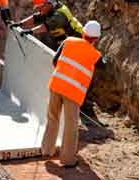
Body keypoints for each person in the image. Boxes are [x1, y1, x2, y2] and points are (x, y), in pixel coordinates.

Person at [40, 21, 102, 168]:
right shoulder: (95, 54)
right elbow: (103, 65)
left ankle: (47, 150)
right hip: (73, 92)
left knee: (52, 117)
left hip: (56, 85)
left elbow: (55, 60)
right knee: (71, 125)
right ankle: (67, 160)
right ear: (97, 38)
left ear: (83, 33)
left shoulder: (68, 41)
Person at [10, 0, 83, 51]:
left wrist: (30, 31)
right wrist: (20, 24)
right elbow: (36, 18)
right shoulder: (49, 8)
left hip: (78, 41)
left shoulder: (59, 15)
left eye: (40, 8)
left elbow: (46, 26)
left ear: (46, 4)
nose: (39, 11)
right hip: (66, 41)